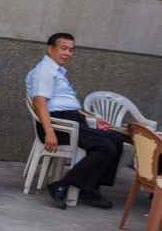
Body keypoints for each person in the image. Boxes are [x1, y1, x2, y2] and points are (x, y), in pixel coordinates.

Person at [26, 33, 124, 210]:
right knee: (105, 148)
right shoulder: (44, 71)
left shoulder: (57, 71)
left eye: (71, 50)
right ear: (50, 49)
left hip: (71, 119)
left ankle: (91, 188)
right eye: (63, 48)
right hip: (59, 124)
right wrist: (49, 132)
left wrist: (93, 119)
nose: (67, 53)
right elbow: (39, 102)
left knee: (116, 140)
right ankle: (62, 184)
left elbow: (68, 105)